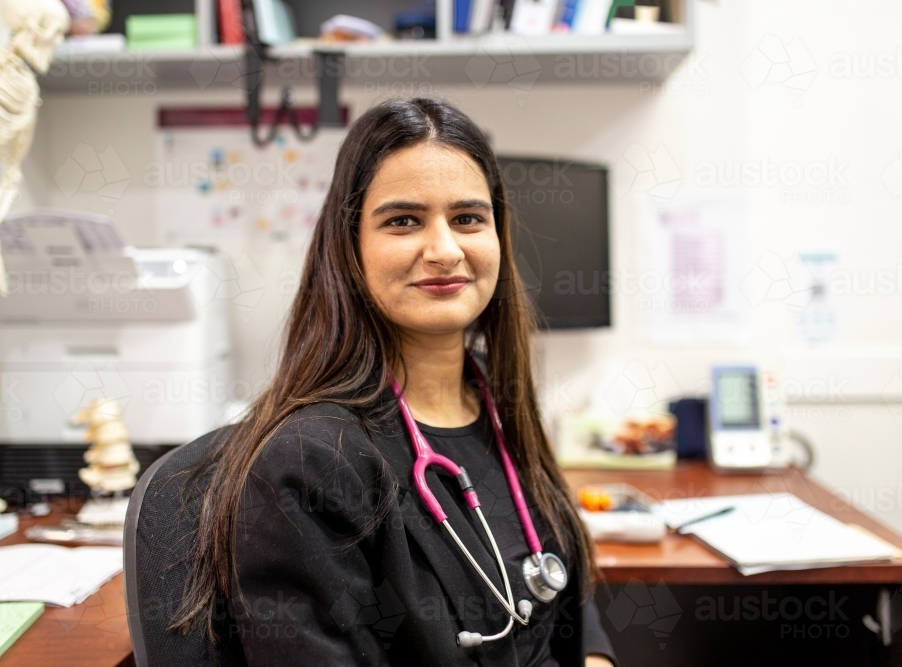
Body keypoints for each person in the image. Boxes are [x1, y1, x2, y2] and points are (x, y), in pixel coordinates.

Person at [172, 97, 618, 667]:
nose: (445, 250)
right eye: (403, 221)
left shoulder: (496, 400)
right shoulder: (310, 464)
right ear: (350, 248)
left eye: (467, 219)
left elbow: (573, 611)